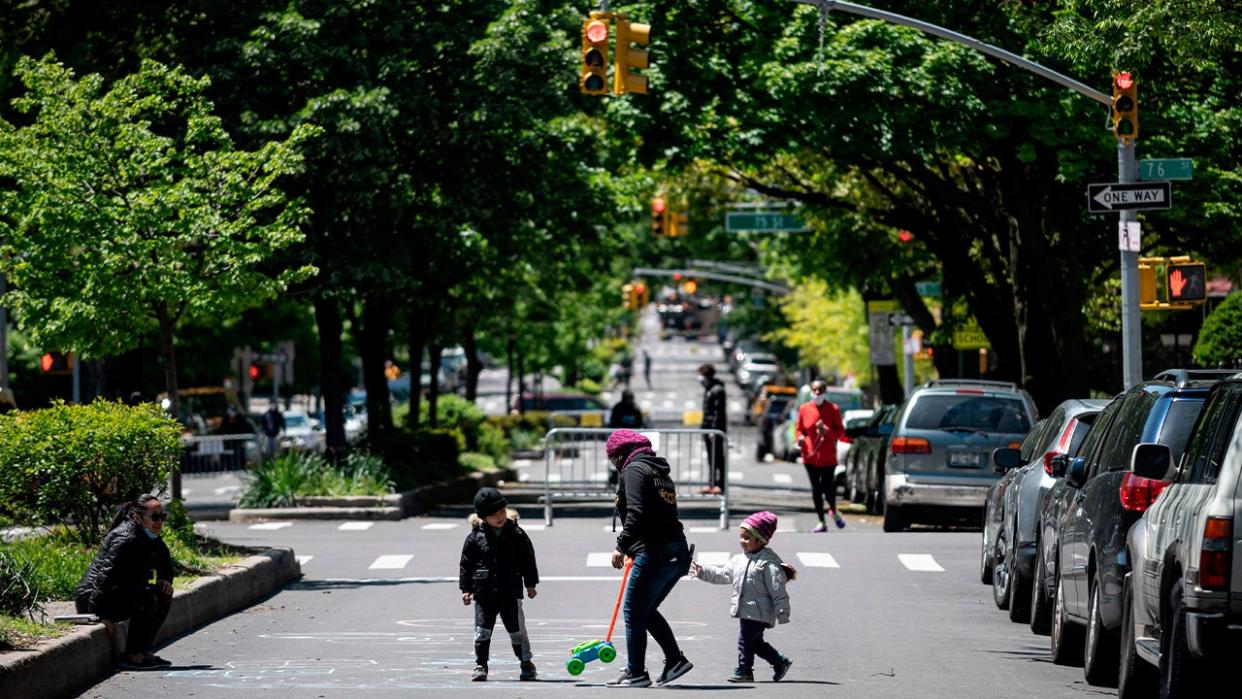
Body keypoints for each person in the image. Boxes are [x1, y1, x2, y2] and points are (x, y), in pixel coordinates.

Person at [605, 429, 694, 688]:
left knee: (634, 611)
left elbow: (636, 512)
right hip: (676, 551)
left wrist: (621, 546)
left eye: (612, 459)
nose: (613, 464)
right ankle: (675, 660)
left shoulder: (633, 470)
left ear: (620, 454)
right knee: (646, 610)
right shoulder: (660, 472)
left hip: (654, 552)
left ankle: (636, 672)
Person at [690, 511, 795, 683]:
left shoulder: (769, 563)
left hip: (759, 611)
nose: (742, 541)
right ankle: (779, 661)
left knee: (745, 639)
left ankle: (745, 670)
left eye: (747, 538)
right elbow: (723, 574)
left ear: (760, 540)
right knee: (755, 642)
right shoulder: (739, 559)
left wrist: (782, 610)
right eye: (741, 537)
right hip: (746, 608)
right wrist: (702, 572)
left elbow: (778, 589)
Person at [74, 494, 175, 670]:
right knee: (147, 600)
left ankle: (143, 650)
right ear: (137, 517)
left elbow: (165, 562)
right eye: (155, 517)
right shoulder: (126, 538)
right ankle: (132, 655)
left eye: (162, 516)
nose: (160, 521)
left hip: (119, 593)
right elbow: (105, 577)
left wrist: (164, 579)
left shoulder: (150, 535)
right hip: (93, 598)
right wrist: (97, 614)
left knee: (162, 594)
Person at [459, 487, 539, 682]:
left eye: (502, 511)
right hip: (484, 594)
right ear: (483, 517)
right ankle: (481, 665)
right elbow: (466, 564)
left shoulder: (516, 533)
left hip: (510, 592)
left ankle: (526, 663)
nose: (500, 516)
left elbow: (527, 559)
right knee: (482, 631)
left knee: (517, 631)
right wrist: (466, 589)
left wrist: (530, 584)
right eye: (494, 514)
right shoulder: (474, 538)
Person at [796, 380, 847, 532]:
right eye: (815, 390)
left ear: (825, 392)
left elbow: (841, 432)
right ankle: (821, 521)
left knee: (828, 488)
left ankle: (833, 509)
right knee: (816, 490)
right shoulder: (804, 408)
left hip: (828, 458)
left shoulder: (833, 409)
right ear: (811, 391)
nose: (817, 393)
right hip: (810, 456)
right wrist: (799, 438)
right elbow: (799, 429)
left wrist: (828, 433)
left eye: (820, 390)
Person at [699, 364, 727, 494]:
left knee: (718, 458)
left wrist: (713, 430)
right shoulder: (709, 388)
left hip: (715, 430)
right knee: (711, 458)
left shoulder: (717, 390)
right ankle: (711, 484)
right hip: (708, 429)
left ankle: (720, 485)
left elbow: (717, 412)